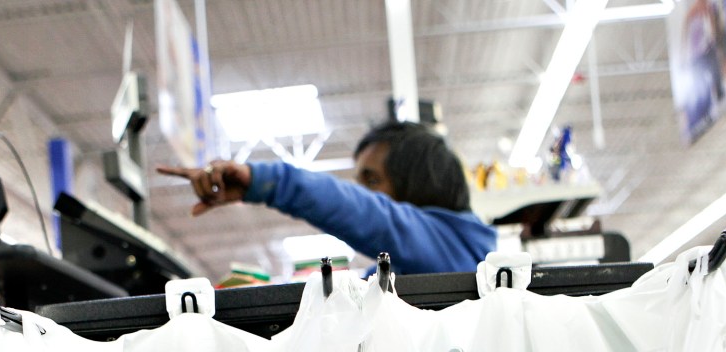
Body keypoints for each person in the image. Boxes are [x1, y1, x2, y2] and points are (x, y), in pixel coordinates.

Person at [158, 120, 496, 274]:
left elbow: (370, 214)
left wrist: (264, 182)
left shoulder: (457, 250)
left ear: (418, 183)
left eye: (373, 180)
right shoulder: (399, 272)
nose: (363, 194)